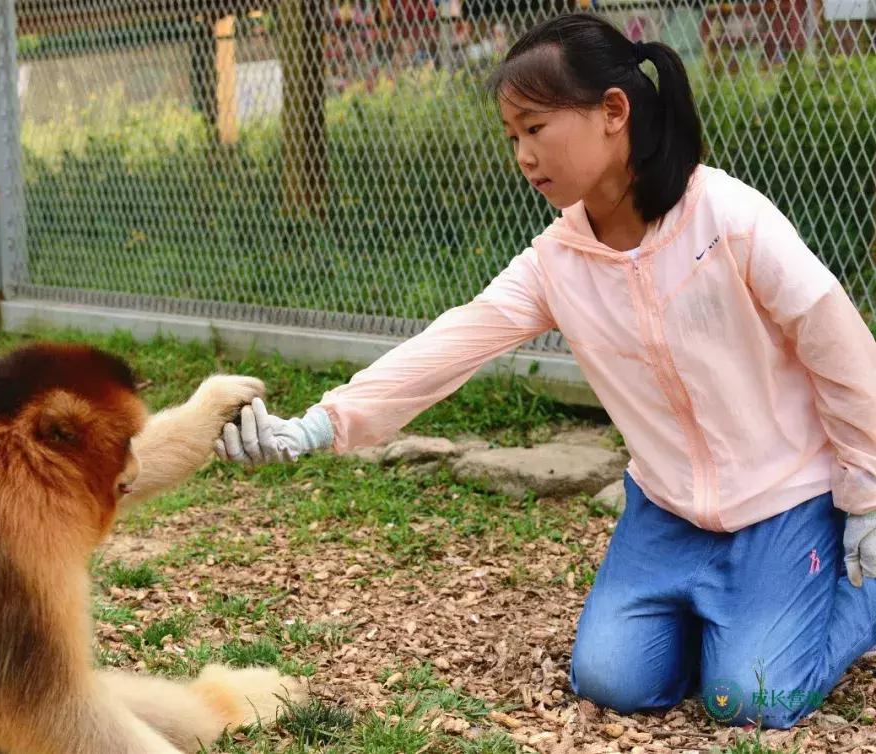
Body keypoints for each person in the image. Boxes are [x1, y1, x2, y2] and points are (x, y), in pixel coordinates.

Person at [215, 13, 876, 730]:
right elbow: (452, 343)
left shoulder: (730, 218)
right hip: (668, 511)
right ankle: (736, 615)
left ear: (613, 113)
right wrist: (317, 426)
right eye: (512, 137)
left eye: (536, 128)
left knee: (751, 700)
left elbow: (836, 345)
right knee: (609, 679)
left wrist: (868, 492)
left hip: (784, 503)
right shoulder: (556, 261)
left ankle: (852, 597)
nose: (524, 156)